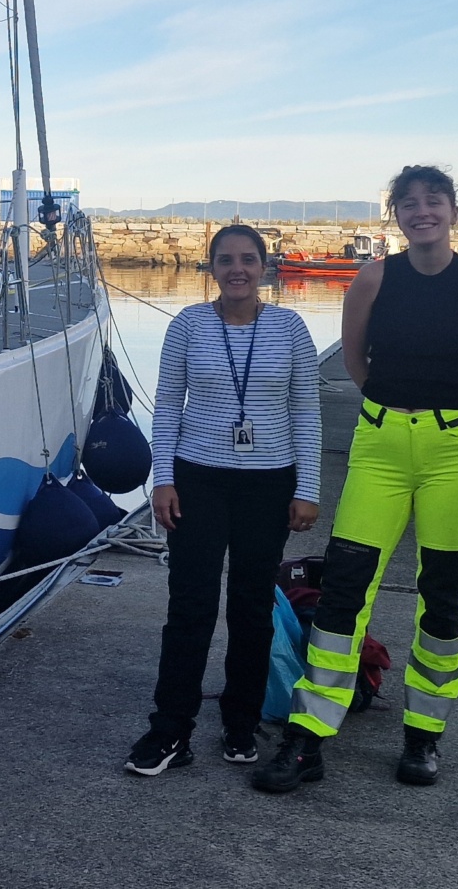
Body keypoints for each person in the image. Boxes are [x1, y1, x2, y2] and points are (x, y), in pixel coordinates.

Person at [255, 166, 458, 793]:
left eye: (434, 201)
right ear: (395, 214)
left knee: (445, 595)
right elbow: (354, 360)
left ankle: (424, 735)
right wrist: (394, 412)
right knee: (346, 587)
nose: (422, 211)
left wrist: (450, 419)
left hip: (454, 450)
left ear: (454, 211)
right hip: (379, 447)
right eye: (409, 203)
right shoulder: (373, 278)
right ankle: (309, 735)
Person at [125, 225, 322, 776]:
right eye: (226, 260)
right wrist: (163, 480)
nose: (238, 269)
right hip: (199, 481)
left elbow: (306, 409)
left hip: (269, 484)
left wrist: (307, 488)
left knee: (252, 608)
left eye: (248, 259)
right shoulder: (189, 324)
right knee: (190, 606)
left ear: (264, 266)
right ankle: (171, 729)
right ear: (211, 267)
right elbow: (168, 406)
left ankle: (240, 721)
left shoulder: (289, 328)